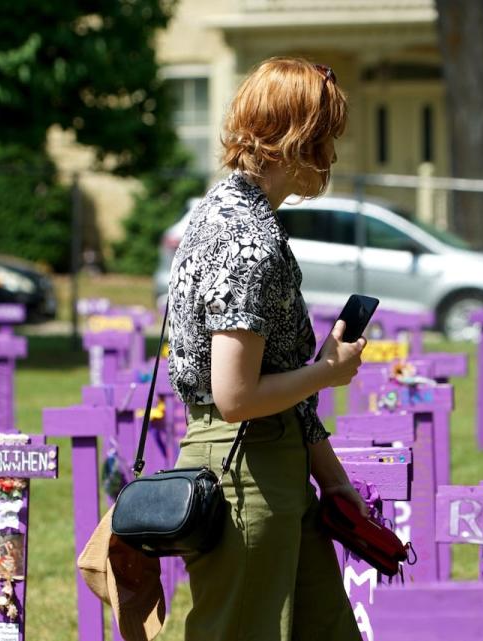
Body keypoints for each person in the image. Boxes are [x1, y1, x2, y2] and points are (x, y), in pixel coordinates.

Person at [167, 57, 367, 641]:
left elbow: (270, 379)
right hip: (244, 472)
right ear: (300, 140)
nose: (332, 157)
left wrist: (330, 478)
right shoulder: (248, 240)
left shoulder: (217, 213)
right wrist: (329, 371)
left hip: (271, 462)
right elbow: (235, 397)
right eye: (327, 137)